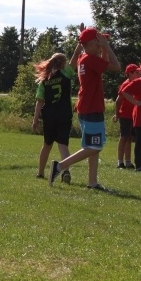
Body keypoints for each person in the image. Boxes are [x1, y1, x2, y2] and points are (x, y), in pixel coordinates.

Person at [49, 27, 120, 190]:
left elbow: (103, 64)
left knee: (93, 147)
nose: (102, 45)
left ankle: (92, 182)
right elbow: (116, 67)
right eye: (99, 42)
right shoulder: (90, 59)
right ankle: (59, 167)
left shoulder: (84, 58)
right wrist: (107, 48)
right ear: (90, 44)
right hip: (91, 108)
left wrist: (103, 48)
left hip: (86, 107)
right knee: (94, 147)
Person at [31, 50, 80, 181]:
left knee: (47, 144)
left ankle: (40, 172)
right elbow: (75, 58)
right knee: (63, 144)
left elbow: (39, 101)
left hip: (49, 116)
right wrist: (79, 45)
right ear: (63, 63)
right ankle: (66, 171)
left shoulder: (44, 80)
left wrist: (35, 119)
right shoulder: (66, 74)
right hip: (64, 114)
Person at [112, 63, 140, 169]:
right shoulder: (126, 84)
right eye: (136, 72)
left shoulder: (136, 84)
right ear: (129, 73)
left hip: (132, 115)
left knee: (129, 138)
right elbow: (118, 101)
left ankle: (128, 161)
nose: (139, 74)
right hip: (125, 115)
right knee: (123, 137)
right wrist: (117, 113)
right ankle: (120, 161)